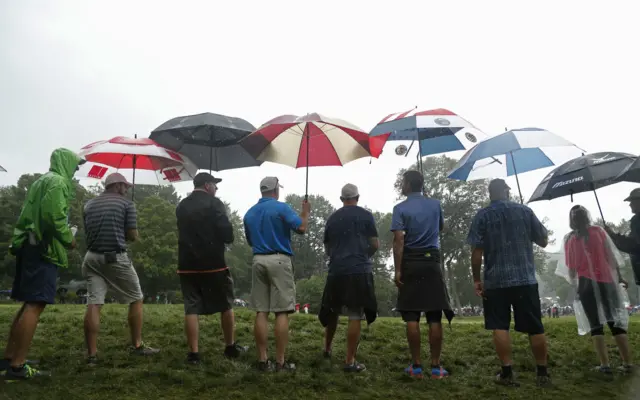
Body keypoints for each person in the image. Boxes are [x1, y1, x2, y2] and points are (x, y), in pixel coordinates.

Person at [2, 148, 84, 380]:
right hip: (43, 248)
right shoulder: (58, 182)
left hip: (30, 246)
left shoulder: (42, 181)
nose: (76, 170)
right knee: (36, 304)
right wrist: (69, 239)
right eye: (76, 166)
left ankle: (9, 357)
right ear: (66, 163)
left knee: (28, 303)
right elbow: (53, 217)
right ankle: (18, 366)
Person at [467, 179, 551, 387]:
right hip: (525, 278)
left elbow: (476, 253)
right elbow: (543, 240)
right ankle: (542, 372)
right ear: (507, 191)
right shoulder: (525, 211)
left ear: (490, 194)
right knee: (535, 327)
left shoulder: (482, 216)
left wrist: (477, 279)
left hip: (495, 281)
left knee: (499, 325)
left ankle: (507, 372)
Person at [81, 173, 159, 366]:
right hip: (114, 257)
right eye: (125, 186)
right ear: (116, 185)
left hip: (91, 257)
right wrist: (130, 231)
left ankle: (91, 355)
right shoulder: (127, 205)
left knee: (94, 303)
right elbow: (132, 235)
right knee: (136, 298)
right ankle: (138, 345)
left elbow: (89, 230)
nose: (127, 190)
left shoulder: (89, 205)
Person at [176, 172, 247, 365]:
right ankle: (230, 347)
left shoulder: (182, 205)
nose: (217, 189)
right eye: (215, 185)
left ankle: (194, 354)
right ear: (207, 185)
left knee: (191, 308)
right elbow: (227, 235)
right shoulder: (215, 204)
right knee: (226, 304)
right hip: (213, 265)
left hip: (187, 264)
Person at [243, 177, 310, 372]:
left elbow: (250, 240)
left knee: (261, 311)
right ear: (275, 190)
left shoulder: (249, 213)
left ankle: (263, 360)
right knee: (281, 311)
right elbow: (302, 228)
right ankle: (280, 362)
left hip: (258, 260)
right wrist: (305, 212)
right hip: (279, 260)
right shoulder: (281, 208)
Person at [391, 170, 453, 379]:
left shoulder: (399, 209)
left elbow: (399, 240)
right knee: (435, 316)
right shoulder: (435, 205)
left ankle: (416, 366)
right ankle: (436, 367)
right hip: (432, 262)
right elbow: (441, 227)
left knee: (412, 315)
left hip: (410, 262)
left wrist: (398, 269)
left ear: (408, 185)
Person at [561, 205, 632, 374]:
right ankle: (627, 363)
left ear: (571, 221)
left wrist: (575, 283)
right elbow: (612, 257)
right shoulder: (599, 232)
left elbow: (571, 268)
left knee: (595, 325)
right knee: (615, 322)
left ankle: (605, 364)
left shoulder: (570, 239)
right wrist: (620, 277)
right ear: (587, 216)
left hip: (586, 284)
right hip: (607, 281)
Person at [318, 184, 379, 373]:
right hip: (359, 270)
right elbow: (375, 244)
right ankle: (350, 360)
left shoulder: (332, 219)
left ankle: (327, 349)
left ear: (341, 199)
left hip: (337, 270)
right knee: (355, 314)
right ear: (358, 198)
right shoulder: (366, 216)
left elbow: (327, 249)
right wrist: (364, 256)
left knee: (332, 311)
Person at [605, 188, 640, 286]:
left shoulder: (637, 221)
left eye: (632, 201)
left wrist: (612, 235)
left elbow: (634, 246)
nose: (630, 204)